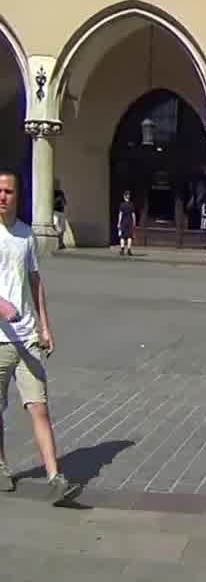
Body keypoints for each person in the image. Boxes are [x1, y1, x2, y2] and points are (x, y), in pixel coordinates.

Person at [0, 172, 80, 504]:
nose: (2, 196)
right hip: (0, 341)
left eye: (8, 191)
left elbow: (35, 282)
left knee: (40, 408)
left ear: (18, 195)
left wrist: (45, 327)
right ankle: (1, 466)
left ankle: (55, 477)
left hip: (27, 337)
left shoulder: (25, 235)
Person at [113, 191, 136, 256]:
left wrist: (118, 222)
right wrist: (134, 223)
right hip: (130, 222)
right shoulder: (131, 204)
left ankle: (122, 250)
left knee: (122, 237)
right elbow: (133, 215)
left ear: (124, 196)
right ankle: (129, 250)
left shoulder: (122, 205)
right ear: (128, 196)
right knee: (129, 236)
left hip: (123, 222)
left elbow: (120, 214)